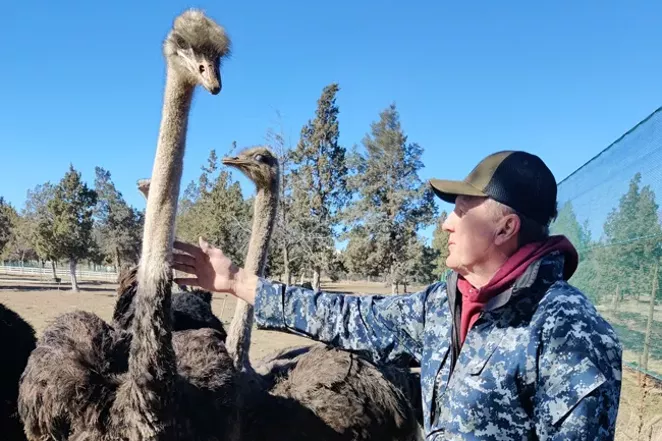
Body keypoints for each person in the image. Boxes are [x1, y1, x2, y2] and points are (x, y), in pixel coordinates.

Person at [173, 150, 622, 440]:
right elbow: (344, 316)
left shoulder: (568, 331)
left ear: (506, 227)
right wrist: (236, 282)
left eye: (463, 212)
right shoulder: (445, 304)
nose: (448, 223)